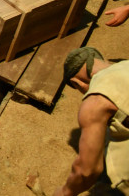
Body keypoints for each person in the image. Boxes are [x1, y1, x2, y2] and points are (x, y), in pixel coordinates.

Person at [50, 47, 128, 196]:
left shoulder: (95, 102)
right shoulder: (126, 65)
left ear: (77, 83)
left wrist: (66, 191)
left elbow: (87, 171)